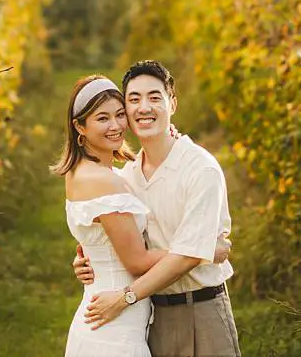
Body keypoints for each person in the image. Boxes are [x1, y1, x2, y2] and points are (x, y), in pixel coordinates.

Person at [72, 61, 242, 357]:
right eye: (134, 100)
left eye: (154, 97)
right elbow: (118, 238)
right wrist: (89, 262)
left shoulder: (200, 169)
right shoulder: (127, 177)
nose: (144, 107)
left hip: (201, 310)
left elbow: (187, 257)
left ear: (172, 104)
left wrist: (124, 298)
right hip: (153, 316)